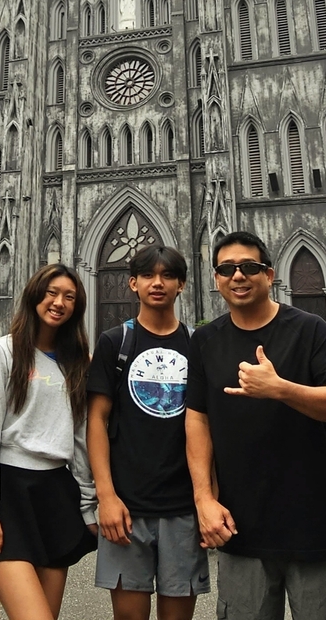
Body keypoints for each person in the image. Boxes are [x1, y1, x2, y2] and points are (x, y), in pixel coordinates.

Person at [186, 231, 326, 620]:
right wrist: (203, 499)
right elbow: (197, 419)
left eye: (249, 267)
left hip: (316, 523)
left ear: (268, 274)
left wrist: (280, 388)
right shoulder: (204, 341)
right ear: (215, 279)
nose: (238, 276)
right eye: (227, 269)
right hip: (241, 527)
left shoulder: (309, 329)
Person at [87, 245, 210, 620]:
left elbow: (206, 425)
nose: (158, 283)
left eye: (168, 275)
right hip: (127, 508)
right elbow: (96, 421)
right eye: (148, 276)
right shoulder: (113, 343)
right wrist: (105, 497)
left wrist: (209, 501)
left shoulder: (198, 345)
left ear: (182, 285)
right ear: (133, 284)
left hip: (183, 508)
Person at [0, 264, 97, 620]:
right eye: (51, 293)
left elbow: (80, 439)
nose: (59, 302)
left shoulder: (77, 363)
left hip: (57, 493)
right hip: (9, 492)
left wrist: (88, 505)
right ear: (34, 296)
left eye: (69, 297)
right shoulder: (2, 353)